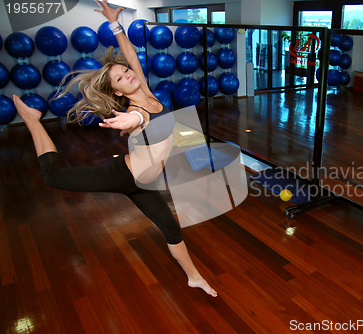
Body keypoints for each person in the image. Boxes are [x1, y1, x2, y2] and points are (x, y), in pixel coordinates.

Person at [12, 0, 217, 297]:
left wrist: (115, 24)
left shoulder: (146, 90)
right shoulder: (136, 107)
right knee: (51, 176)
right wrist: (131, 120)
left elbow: (131, 55)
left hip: (144, 184)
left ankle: (194, 277)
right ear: (118, 92)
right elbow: (138, 118)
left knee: (171, 229)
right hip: (122, 175)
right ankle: (32, 121)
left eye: (126, 71)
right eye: (121, 78)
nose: (128, 74)